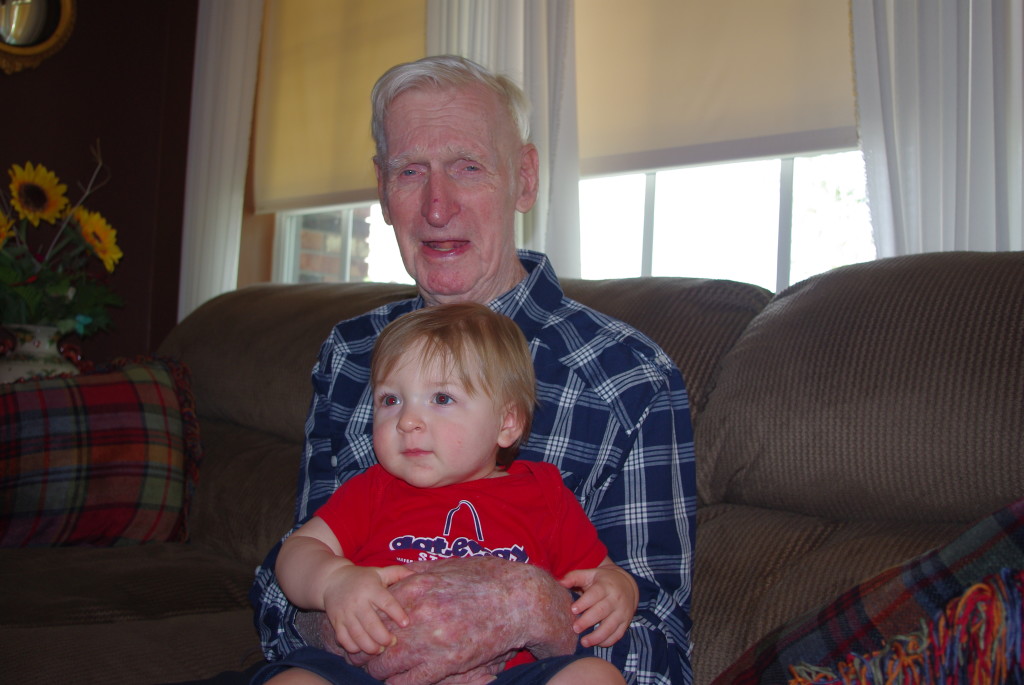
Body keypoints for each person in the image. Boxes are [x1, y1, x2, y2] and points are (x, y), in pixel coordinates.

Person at [251, 54, 696, 685]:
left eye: (467, 167)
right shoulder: (351, 353)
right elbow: (285, 595)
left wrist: (531, 609)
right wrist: (366, 628)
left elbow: (656, 644)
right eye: (411, 172)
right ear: (382, 189)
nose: (437, 207)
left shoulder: (629, 377)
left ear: (525, 179)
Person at [269, 303, 634, 684]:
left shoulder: (544, 494)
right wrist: (333, 581)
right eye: (390, 400)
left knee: (595, 676)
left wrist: (618, 587)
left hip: (503, 676)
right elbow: (296, 552)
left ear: (506, 423)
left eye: (442, 398)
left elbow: (598, 573)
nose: (407, 421)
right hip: (374, 671)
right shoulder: (372, 489)